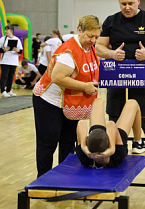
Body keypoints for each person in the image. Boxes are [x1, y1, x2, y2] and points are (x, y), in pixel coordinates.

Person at [95, 0, 145, 185]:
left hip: (142, 79)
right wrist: (111, 54)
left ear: (139, 1)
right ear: (119, 3)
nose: (127, 7)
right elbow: (99, 47)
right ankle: (113, 163)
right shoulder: (111, 21)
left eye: (130, 3)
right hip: (116, 80)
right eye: (123, 4)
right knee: (114, 123)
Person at [32, 15, 101, 177]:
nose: (93, 40)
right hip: (49, 102)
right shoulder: (69, 52)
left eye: (96, 37)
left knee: (68, 143)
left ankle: (65, 179)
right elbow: (58, 78)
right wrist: (85, 86)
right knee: (48, 143)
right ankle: (43, 182)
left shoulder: (89, 47)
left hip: (69, 104)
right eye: (89, 36)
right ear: (79, 30)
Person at [76, 98, 145, 168]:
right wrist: (112, 149)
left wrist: (84, 147)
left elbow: (81, 123)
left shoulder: (85, 158)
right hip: (117, 139)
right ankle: (138, 142)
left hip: (97, 135)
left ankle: (137, 142)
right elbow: (110, 124)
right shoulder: (118, 156)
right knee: (133, 103)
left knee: (97, 101)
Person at [0, 25, 23, 98]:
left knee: (11, 76)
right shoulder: (2, 39)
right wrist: (5, 49)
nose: (5, 31)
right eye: (5, 30)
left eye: (7, 30)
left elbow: (20, 51)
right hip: (5, 60)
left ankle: (9, 90)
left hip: (13, 60)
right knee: (4, 76)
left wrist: (16, 50)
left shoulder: (17, 39)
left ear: (11, 31)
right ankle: (3, 91)